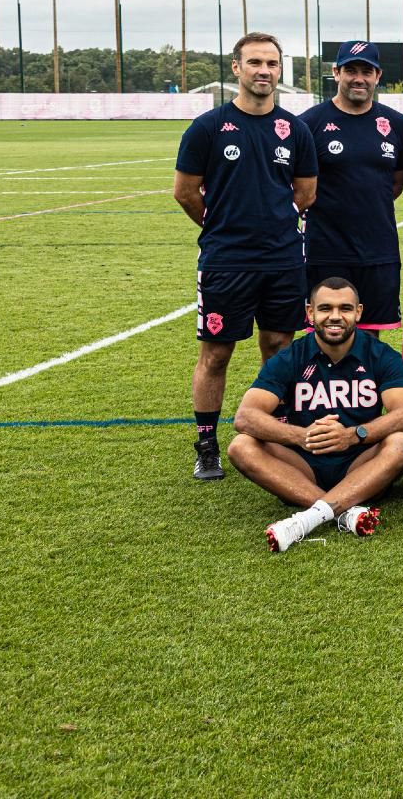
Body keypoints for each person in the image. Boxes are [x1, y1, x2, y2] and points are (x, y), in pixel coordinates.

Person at [174, 31, 319, 482]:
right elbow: (185, 191)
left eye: (272, 64)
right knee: (216, 354)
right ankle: (207, 445)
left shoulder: (294, 129)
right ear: (236, 68)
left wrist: (271, 226)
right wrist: (222, 229)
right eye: (254, 63)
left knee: (278, 350)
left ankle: (270, 435)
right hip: (225, 263)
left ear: (279, 70)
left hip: (282, 261)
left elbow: (306, 192)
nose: (264, 71)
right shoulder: (209, 127)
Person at [225, 278, 403, 552]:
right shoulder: (291, 356)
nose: (335, 317)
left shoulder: (381, 355)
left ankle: (306, 519)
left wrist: (353, 436)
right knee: (241, 446)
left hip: (360, 462)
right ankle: (344, 511)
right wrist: (301, 436)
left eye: (345, 308)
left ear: (358, 312)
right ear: (310, 312)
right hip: (303, 463)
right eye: (325, 308)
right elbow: (245, 417)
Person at [298, 39, 403, 333]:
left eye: (366, 71)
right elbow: (296, 186)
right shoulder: (309, 124)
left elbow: (396, 182)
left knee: (370, 338)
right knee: (322, 336)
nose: (359, 78)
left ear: (378, 76)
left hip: (378, 252)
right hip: (325, 251)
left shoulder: (397, 124)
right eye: (351, 70)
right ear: (336, 73)